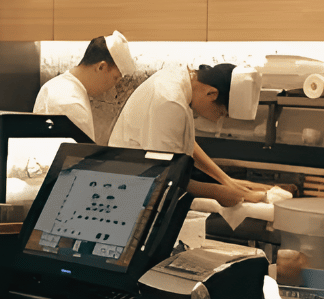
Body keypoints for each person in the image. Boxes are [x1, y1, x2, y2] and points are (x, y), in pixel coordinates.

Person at [108, 62, 266, 206]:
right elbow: (164, 175)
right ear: (212, 93)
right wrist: (218, 192)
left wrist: (226, 180)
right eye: (222, 114)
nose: (219, 120)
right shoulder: (170, 102)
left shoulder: (182, 79)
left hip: (139, 183)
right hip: (129, 193)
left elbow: (185, 142)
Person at [33, 31, 134, 143]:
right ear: (101, 67)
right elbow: (75, 157)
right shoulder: (71, 103)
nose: (112, 87)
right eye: (115, 78)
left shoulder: (55, 84)